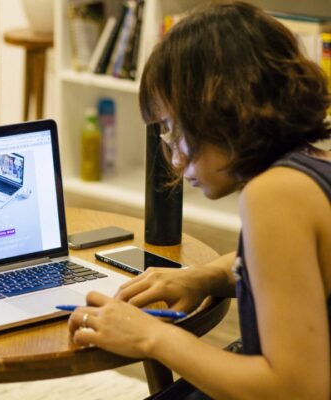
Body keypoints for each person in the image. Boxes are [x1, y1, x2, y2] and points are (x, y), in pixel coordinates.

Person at [67, 2, 331, 399]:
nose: (173, 158)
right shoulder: (313, 163)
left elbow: (297, 389)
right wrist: (204, 276)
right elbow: (293, 267)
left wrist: (151, 336)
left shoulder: (274, 195)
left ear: (220, 110)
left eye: (174, 129)